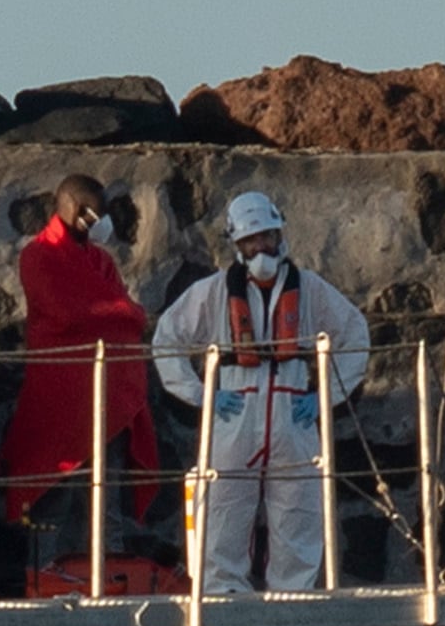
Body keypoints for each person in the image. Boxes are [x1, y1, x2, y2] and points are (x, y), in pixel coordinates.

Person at [153, 191, 370, 595]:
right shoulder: (214, 292)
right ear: (237, 244)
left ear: (279, 235)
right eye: (251, 241)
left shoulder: (311, 289)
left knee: (299, 521)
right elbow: (167, 339)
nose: (261, 248)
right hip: (234, 412)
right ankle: (224, 620)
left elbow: (354, 334)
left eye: (267, 237)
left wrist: (325, 396)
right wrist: (202, 395)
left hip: (293, 411)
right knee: (222, 518)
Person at [1, 174, 157, 561]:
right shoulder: (37, 256)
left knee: (108, 502)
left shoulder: (101, 260)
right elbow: (66, 314)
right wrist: (126, 312)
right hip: (61, 400)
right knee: (53, 498)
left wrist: (121, 315)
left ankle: (113, 586)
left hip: (110, 399)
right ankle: (42, 585)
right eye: (90, 213)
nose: (97, 221)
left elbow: (113, 315)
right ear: (69, 208)